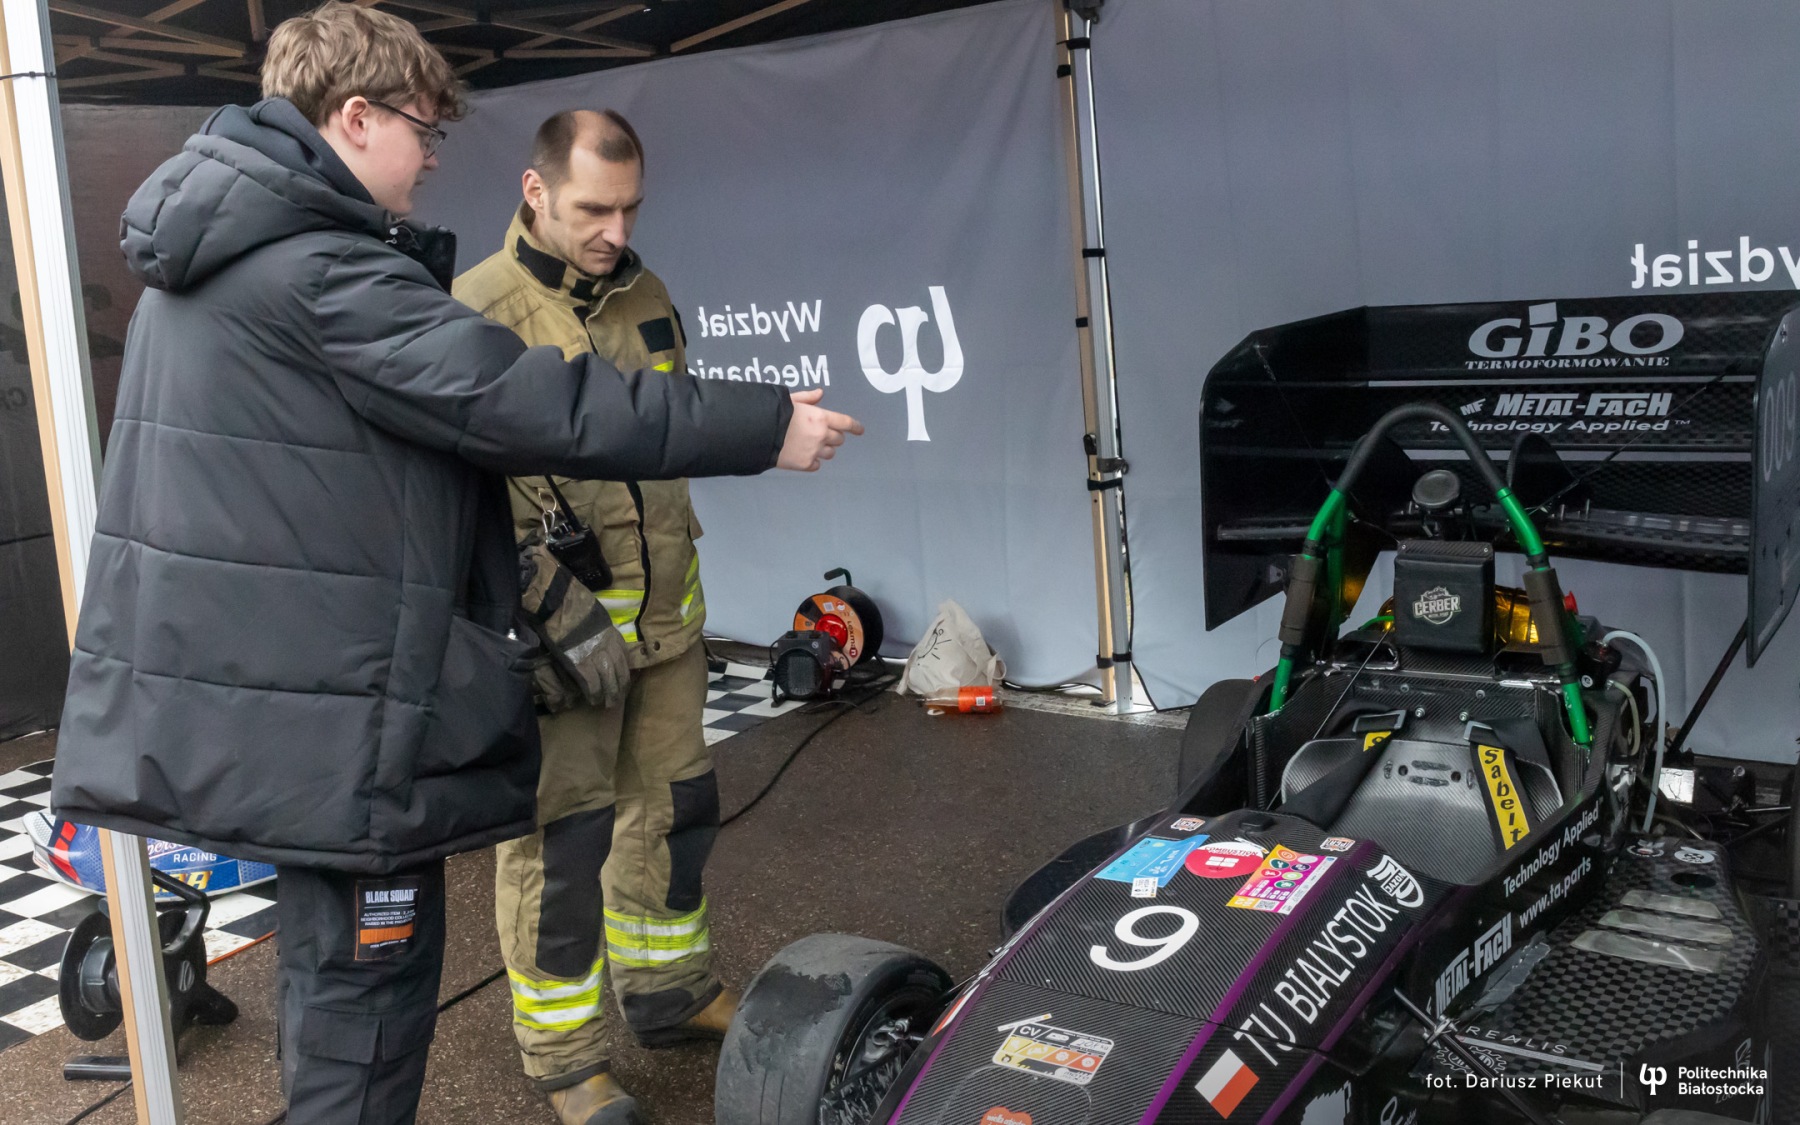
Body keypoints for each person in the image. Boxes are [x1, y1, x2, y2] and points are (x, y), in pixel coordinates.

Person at [46, 4, 861, 1124]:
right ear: (357, 116)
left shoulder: (214, 262)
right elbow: (532, 401)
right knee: (366, 1023)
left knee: (337, 1003)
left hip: (289, 713)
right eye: (423, 132)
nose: (433, 158)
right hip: (339, 727)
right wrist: (765, 426)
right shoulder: (321, 275)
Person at [452, 109, 734, 1125]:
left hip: (667, 632)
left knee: (674, 814)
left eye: (630, 209)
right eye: (592, 210)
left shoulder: (645, 296)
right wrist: (536, 606)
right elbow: (458, 504)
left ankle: (671, 992)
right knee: (560, 850)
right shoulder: (477, 312)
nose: (616, 231)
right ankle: (568, 1060)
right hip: (562, 651)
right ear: (535, 192)